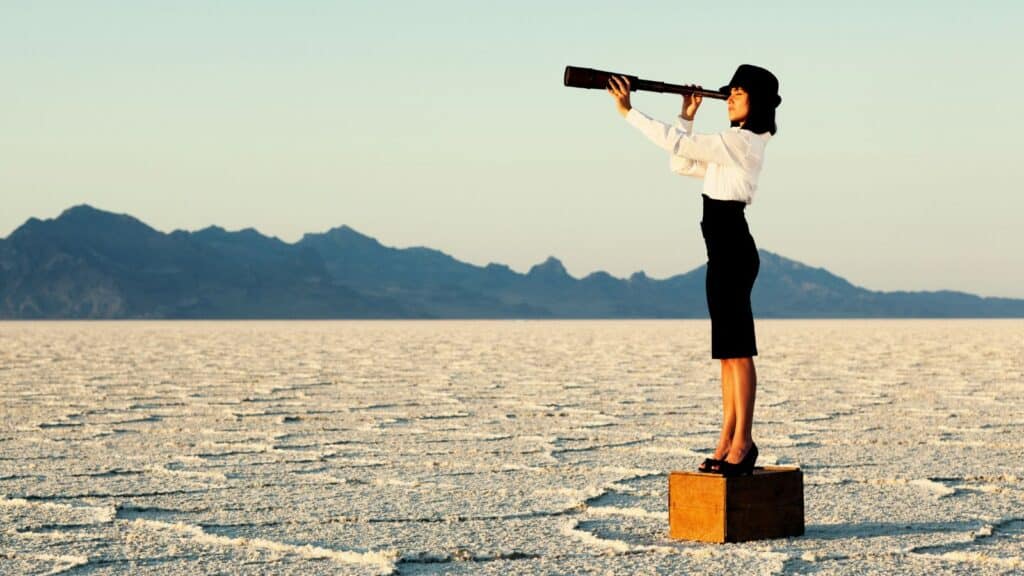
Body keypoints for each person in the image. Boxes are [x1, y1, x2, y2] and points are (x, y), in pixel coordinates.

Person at [606, 64, 781, 477]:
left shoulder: (743, 142)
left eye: (739, 93)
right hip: (721, 253)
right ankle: (726, 439)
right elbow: (680, 163)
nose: (731, 98)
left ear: (756, 102)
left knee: (739, 352)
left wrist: (629, 112)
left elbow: (675, 145)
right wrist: (687, 114)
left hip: (734, 250)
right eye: (731, 92)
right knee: (726, 355)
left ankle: (744, 442)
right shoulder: (730, 146)